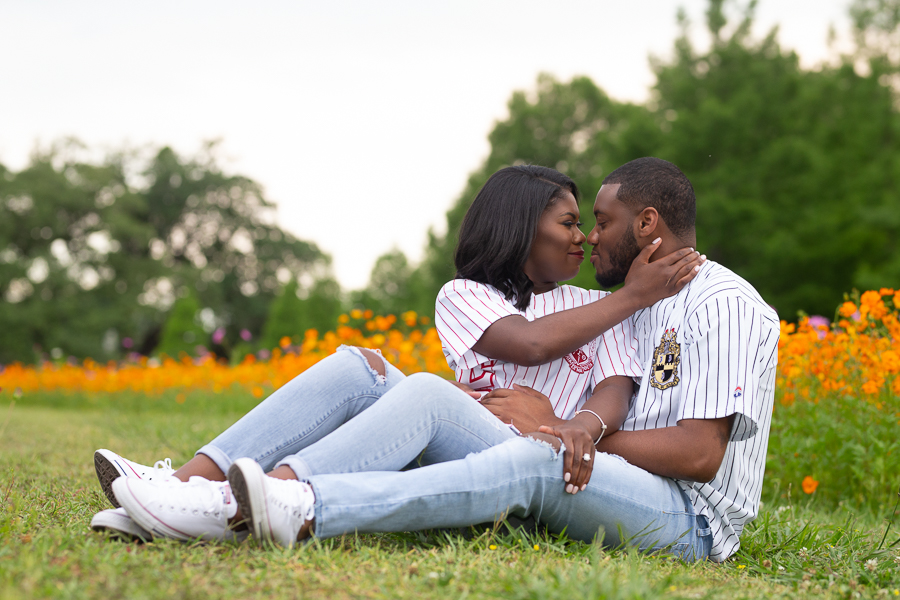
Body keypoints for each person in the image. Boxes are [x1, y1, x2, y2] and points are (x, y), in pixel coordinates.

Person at [91, 165, 702, 544]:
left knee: (429, 390)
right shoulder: (466, 295)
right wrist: (632, 296)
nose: (584, 236)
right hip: (464, 438)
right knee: (361, 365)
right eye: (568, 222)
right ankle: (187, 484)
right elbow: (531, 342)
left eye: (585, 223)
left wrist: (571, 424)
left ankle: (234, 505)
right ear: (521, 226)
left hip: (535, 459)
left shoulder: (600, 306)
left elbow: (617, 388)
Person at [217, 157, 779, 563]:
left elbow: (700, 453)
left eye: (602, 223)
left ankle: (307, 505)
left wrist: (560, 430)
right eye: (581, 222)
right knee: (369, 372)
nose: (589, 238)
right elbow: (574, 365)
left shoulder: (719, 304)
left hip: (691, 520)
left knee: (537, 458)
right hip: (618, 477)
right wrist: (562, 428)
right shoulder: (638, 301)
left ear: (648, 224)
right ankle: (207, 488)